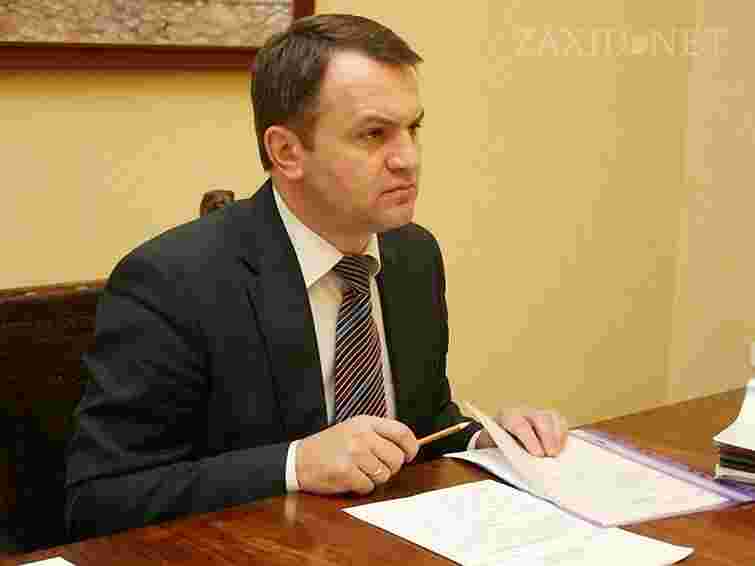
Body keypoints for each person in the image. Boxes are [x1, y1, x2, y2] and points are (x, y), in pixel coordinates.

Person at [64, 14, 568, 540]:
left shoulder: (413, 255)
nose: (408, 159)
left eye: (413, 129)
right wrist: (294, 464)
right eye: (374, 134)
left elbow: (420, 425)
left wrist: (490, 442)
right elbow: (101, 498)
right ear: (287, 152)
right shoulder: (172, 281)